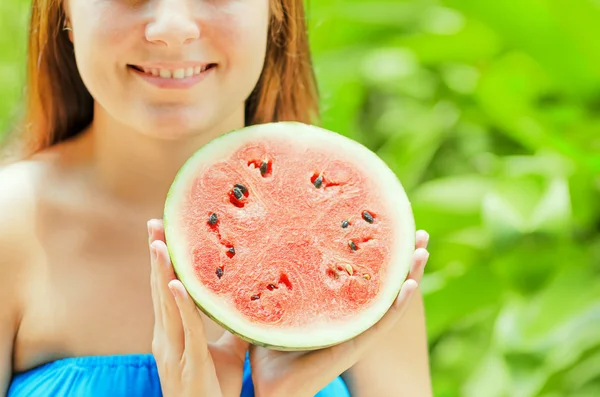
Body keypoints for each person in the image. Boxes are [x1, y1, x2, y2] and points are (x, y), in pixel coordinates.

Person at [0, 0, 433, 395]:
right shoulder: (10, 229)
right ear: (64, 13)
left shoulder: (359, 250)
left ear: (275, 12)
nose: (172, 27)